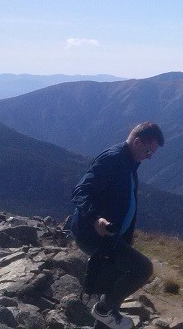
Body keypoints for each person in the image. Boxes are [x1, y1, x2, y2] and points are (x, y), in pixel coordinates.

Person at [71, 122, 165, 329]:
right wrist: (95, 218)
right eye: (149, 150)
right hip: (94, 235)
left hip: (111, 238)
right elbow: (81, 191)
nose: (150, 156)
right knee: (142, 268)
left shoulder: (129, 162)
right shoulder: (113, 159)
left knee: (113, 285)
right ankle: (104, 310)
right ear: (137, 142)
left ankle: (106, 313)